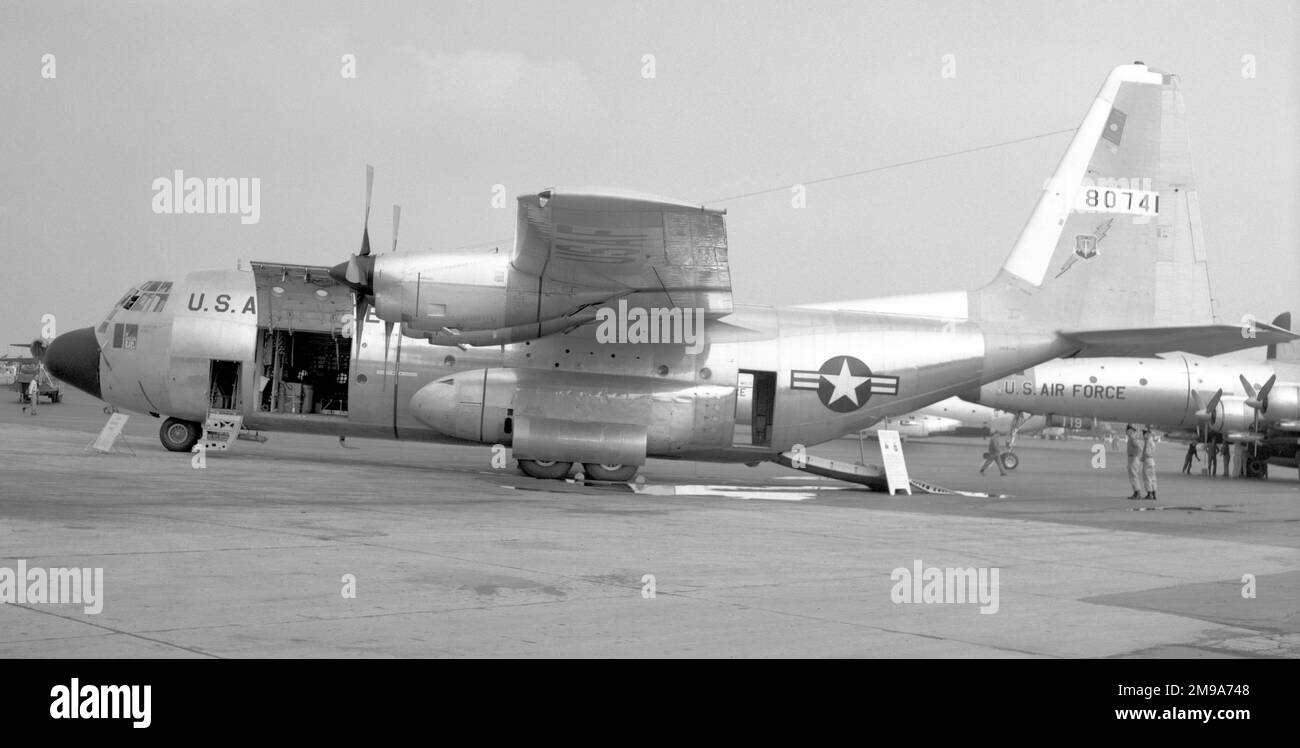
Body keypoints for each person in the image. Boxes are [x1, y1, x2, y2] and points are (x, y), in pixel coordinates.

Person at [1125, 424, 1143, 499]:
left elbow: (1139, 448)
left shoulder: (1132, 438)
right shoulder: (1131, 438)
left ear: (1131, 431)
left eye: (1127, 430)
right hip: (1131, 458)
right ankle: (1135, 493)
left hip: (1133, 458)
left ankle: (1138, 493)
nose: (1126, 431)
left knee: (1134, 476)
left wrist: (1134, 457)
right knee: (1132, 476)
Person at [1141, 427, 1157, 500]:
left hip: (1147, 460)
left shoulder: (1147, 442)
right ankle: (1154, 493)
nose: (1143, 436)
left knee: (1147, 478)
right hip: (1152, 461)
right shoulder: (1152, 442)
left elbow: (1147, 452)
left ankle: (1149, 494)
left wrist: (1143, 457)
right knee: (1153, 478)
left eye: (1144, 434)